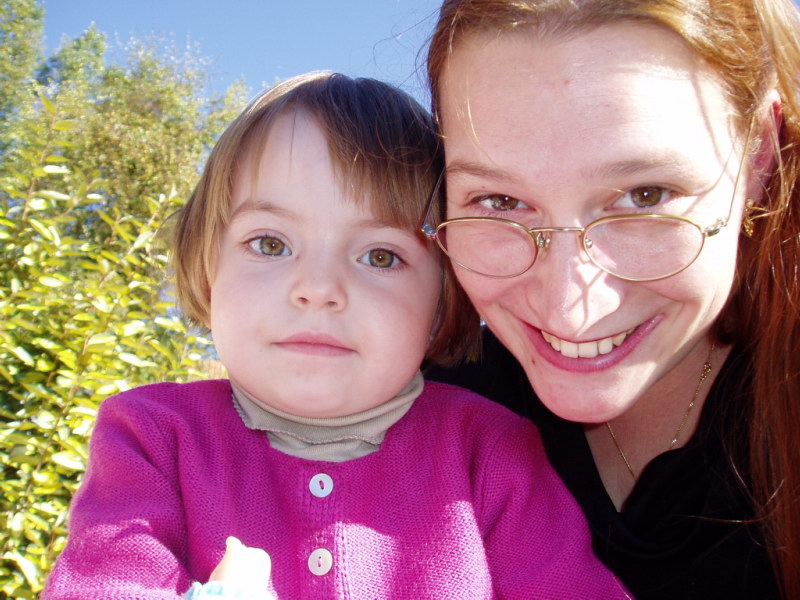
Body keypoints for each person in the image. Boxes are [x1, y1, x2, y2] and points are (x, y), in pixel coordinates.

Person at [41, 71, 629, 599]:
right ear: (207, 266)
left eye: (380, 256)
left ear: (444, 299)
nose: (318, 289)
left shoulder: (489, 454)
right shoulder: (151, 438)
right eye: (270, 243)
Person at [422, 0, 800, 598]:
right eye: (500, 202)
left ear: (759, 153)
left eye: (645, 195)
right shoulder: (414, 415)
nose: (570, 310)